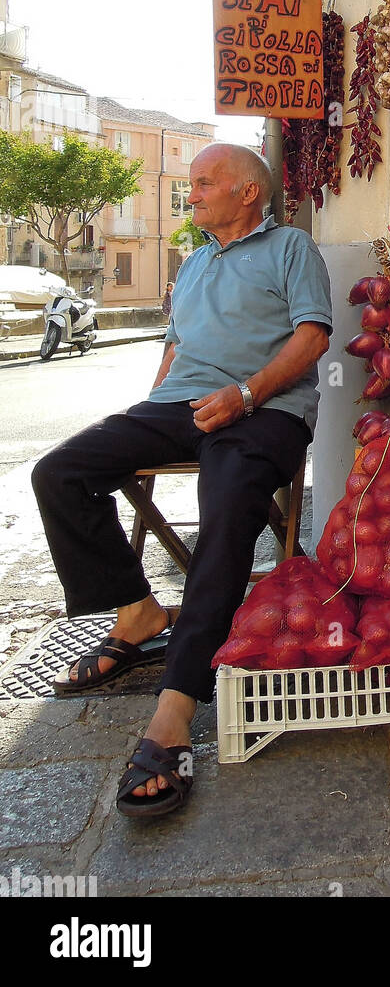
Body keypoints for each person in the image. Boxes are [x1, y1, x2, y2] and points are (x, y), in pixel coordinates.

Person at [31, 143, 332, 819]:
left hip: (266, 411)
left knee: (226, 507)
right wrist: (148, 412)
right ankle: (138, 612)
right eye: (190, 185)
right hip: (179, 407)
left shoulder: (290, 249)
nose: (190, 195)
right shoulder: (194, 261)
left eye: (202, 184)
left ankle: (175, 708)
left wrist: (247, 396)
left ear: (247, 192)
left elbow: (313, 338)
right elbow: (175, 346)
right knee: (60, 473)